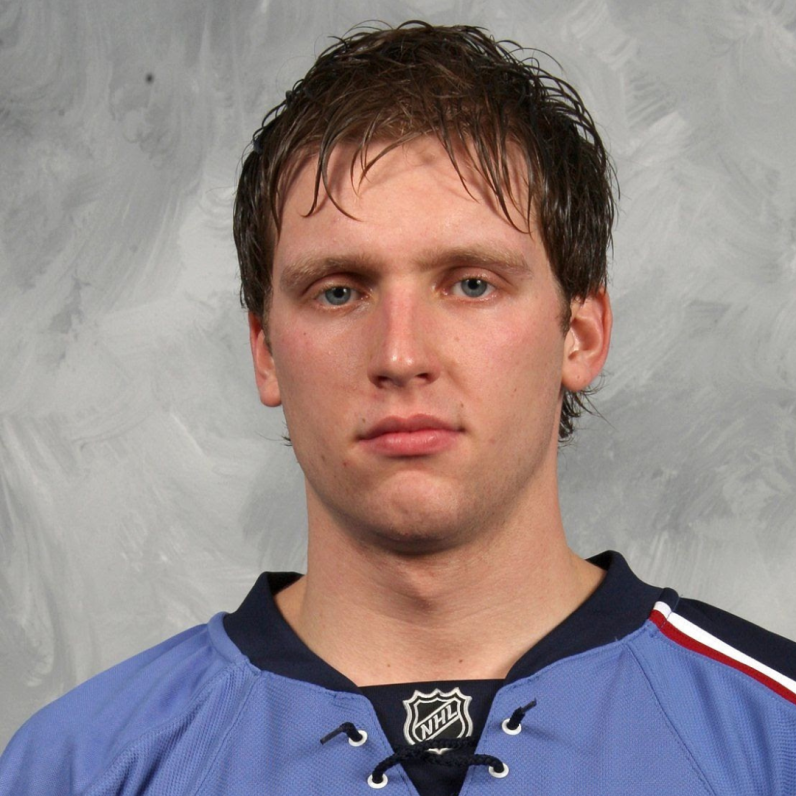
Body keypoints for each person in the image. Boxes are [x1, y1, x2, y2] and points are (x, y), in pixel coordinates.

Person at [1, 20, 795, 796]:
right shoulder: (79, 768)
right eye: (338, 292)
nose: (401, 355)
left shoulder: (772, 737)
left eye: (472, 284)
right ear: (265, 351)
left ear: (580, 336)